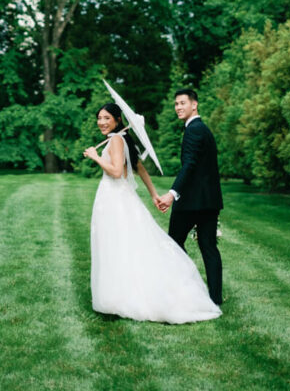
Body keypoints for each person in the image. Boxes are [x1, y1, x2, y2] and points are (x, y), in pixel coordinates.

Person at [83, 102, 221, 323]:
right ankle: (121, 293)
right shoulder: (121, 139)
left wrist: (95, 156)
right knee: (123, 245)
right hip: (118, 198)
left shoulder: (117, 140)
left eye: (107, 118)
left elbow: (117, 172)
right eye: (99, 118)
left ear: (118, 120)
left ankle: (125, 297)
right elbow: (139, 167)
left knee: (117, 244)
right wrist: (154, 194)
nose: (101, 122)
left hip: (115, 199)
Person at [156, 88, 223, 306]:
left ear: (194, 105)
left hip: (191, 202)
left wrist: (172, 194)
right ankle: (214, 298)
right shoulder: (203, 129)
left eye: (182, 103)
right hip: (209, 201)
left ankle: (188, 288)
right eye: (176, 104)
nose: (178, 107)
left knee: (173, 244)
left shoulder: (193, 130)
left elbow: (190, 165)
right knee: (209, 248)